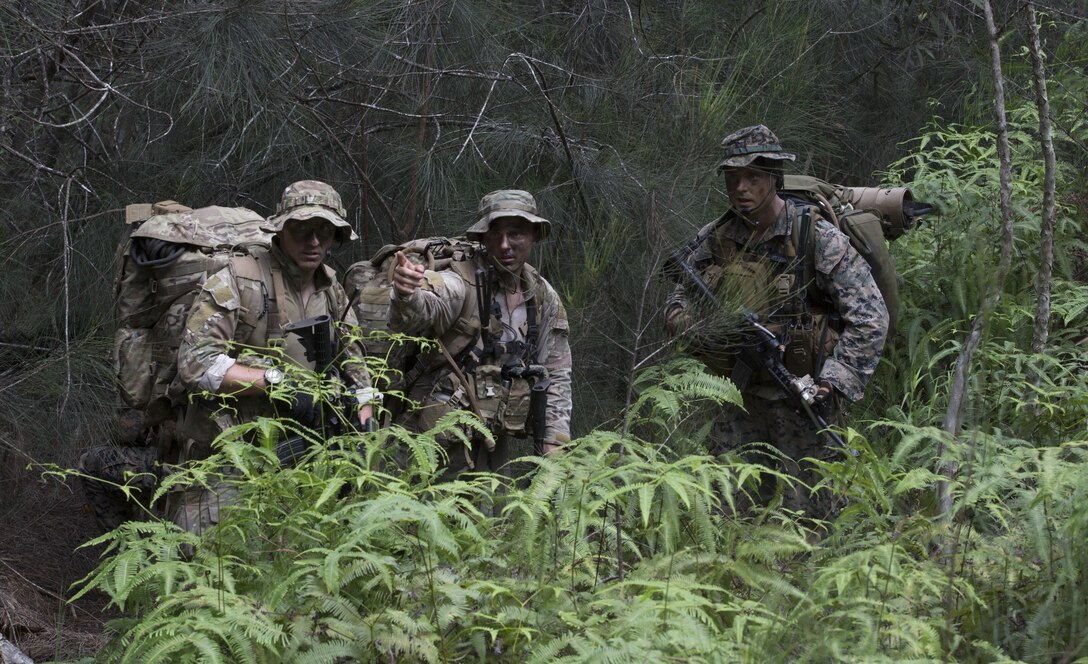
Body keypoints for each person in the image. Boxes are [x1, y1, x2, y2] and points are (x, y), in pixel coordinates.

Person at [665, 125, 889, 518]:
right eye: (733, 177)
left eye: (753, 177)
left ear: (774, 178)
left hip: (801, 397)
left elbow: (871, 316)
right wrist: (693, 325)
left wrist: (834, 380)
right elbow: (679, 296)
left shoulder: (813, 236)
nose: (741, 188)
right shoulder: (716, 238)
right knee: (730, 518)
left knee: (814, 517)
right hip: (736, 400)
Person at [173, 180, 375, 535]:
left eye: (324, 231)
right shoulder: (239, 278)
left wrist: (362, 417)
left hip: (306, 450)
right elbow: (195, 362)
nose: (314, 242)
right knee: (216, 550)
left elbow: (355, 362)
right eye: (302, 229)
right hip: (233, 449)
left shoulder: (332, 291)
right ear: (281, 229)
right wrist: (277, 383)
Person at [389, 189, 572, 476]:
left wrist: (554, 439)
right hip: (427, 439)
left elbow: (556, 370)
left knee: (492, 505)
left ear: (534, 235)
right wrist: (407, 293)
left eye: (515, 234)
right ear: (483, 238)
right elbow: (427, 304)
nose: (505, 245)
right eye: (495, 234)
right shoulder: (461, 282)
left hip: (490, 441)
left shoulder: (542, 296)